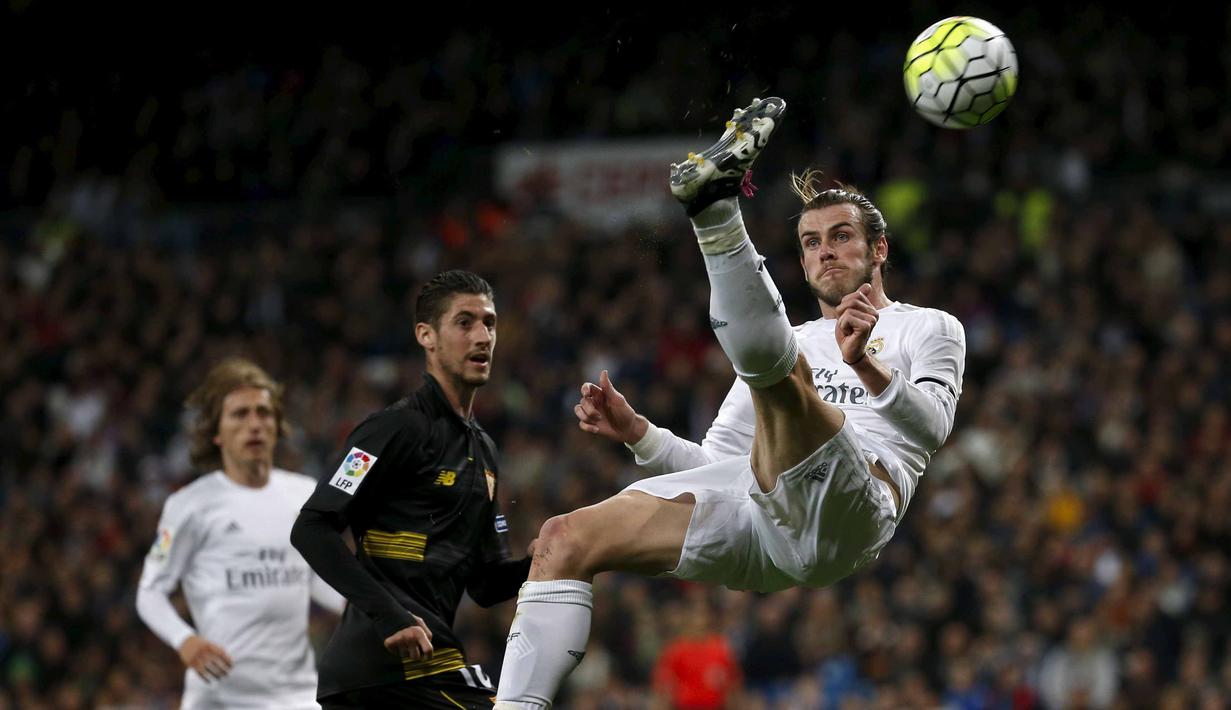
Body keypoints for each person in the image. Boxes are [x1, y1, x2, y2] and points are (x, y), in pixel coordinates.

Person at [494, 97, 966, 708]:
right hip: (763, 528)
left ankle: (716, 214)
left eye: (842, 237)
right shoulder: (788, 343)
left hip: (851, 512)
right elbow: (717, 467)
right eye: (811, 242)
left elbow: (933, 428)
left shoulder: (928, 327)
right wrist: (640, 434)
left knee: (783, 378)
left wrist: (866, 367)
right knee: (563, 538)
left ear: (878, 250)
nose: (825, 251)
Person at [291, 270, 533, 709]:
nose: (482, 336)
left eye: (489, 323)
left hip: (412, 667)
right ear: (426, 335)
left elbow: (485, 584)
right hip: (387, 666)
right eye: (464, 323)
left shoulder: (484, 451)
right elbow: (311, 527)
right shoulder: (393, 429)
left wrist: (542, 562)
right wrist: (388, 615)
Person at [136, 357, 346, 709]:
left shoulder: (305, 494)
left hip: (296, 695)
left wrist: (358, 605)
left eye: (264, 413)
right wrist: (185, 640)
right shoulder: (189, 505)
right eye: (240, 414)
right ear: (216, 432)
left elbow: (311, 576)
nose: (255, 425)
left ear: (277, 425)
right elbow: (150, 591)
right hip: (219, 696)